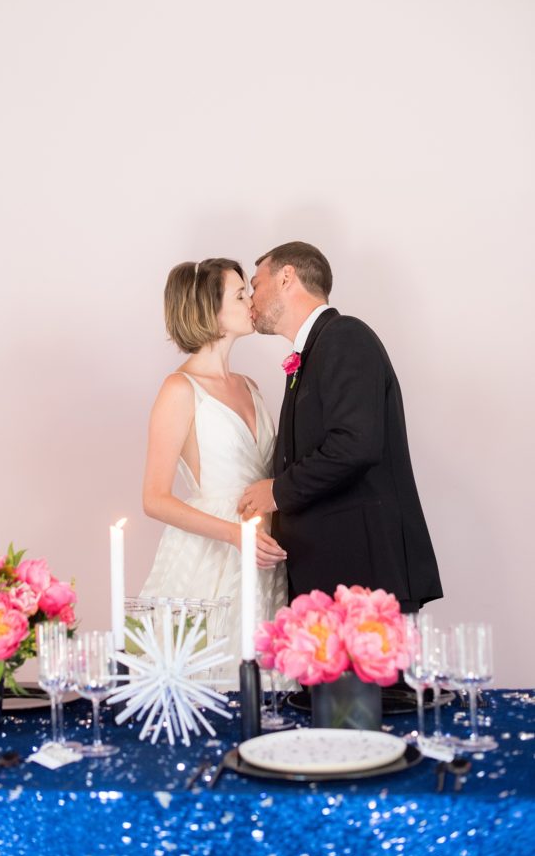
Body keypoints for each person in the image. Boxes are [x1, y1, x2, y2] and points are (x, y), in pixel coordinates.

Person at [238, 241, 442, 613]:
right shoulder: (313, 351)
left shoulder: (345, 336)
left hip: (365, 578)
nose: (252, 299)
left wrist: (278, 491)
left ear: (287, 277)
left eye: (255, 285)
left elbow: (355, 444)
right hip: (330, 576)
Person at [141, 258, 288, 684]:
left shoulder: (251, 386)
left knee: (271, 680)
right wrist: (235, 536)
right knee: (214, 671)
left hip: (266, 543)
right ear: (209, 309)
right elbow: (154, 498)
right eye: (240, 295)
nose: (251, 300)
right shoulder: (178, 389)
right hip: (216, 548)